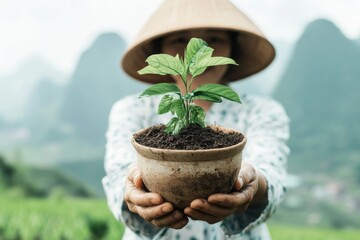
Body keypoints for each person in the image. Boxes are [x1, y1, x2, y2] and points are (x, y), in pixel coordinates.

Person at [102, 0, 290, 239]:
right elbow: (118, 177)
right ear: (159, 49)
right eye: (180, 40)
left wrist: (254, 185)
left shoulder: (262, 110)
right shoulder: (131, 109)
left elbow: (271, 177)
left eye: (215, 39)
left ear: (232, 46)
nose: (201, 52)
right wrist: (132, 191)